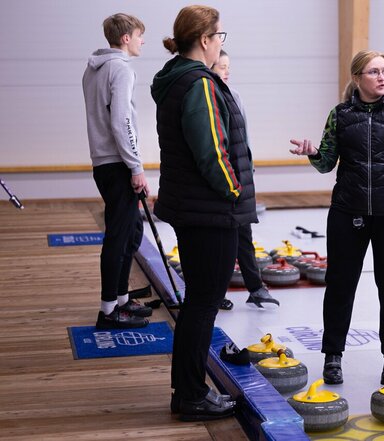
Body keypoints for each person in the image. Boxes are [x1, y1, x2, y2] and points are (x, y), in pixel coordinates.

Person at [290, 50, 384, 385]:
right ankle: (333, 355)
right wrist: (312, 153)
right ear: (357, 78)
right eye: (373, 72)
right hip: (347, 213)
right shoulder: (340, 116)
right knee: (340, 286)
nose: (382, 77)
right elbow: (326, 162)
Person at [150, 5, 253, 421]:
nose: (221, 44)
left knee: (199, 302)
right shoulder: (199, 84)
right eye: (221, 37)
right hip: (209, 211)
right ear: (207, 40)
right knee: (203, 304)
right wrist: (234, 191)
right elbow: (212, 151)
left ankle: (188, 391)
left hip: (194, 207)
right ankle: (191, 395)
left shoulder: (177, 77)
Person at [82, 13, 152, 329]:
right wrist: (135, 166)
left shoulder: (93, 69)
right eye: (139, 35)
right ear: (126, 38)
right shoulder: (120, 69)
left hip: (105, 164)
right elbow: (121, 121)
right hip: (118, 164)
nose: (142, 41)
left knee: (131, 232)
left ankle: (121, 299)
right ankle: (108, 310)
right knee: (118, 236)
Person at [211, 50, 279, 309]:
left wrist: (248, 172)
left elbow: (244, 140)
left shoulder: (235, 96)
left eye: (228, 67)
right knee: (223, 244)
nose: (227, 72)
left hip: (242, 178)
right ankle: (217, 293)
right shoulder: (212, 98)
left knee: (245, 237)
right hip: (225, 181)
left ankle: (256, 287)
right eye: (222, 67)